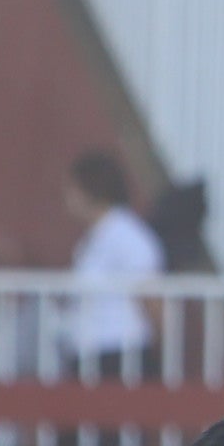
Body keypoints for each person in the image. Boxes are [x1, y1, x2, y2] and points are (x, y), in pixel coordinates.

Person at [60, 148, 161, 379]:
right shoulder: (94, 238)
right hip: (90, 350)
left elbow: (150, 294)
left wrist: (156, 345)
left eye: (72, 189)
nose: (67, 197)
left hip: (120, 351)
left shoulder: (127, 234)